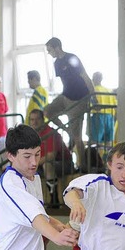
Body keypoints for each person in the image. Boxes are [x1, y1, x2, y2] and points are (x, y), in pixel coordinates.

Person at [44, 37, 94, 170]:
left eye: (50, 50)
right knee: (48, 111)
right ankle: (68, 132)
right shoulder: (56, 63)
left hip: (79, 98)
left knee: (78, 136)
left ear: (56, 47)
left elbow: (85, 77)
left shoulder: (72, 58)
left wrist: (93, 96)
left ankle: (83, 166)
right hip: (66, 95)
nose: (49, 53)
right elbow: (64, 82)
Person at [28, 108, 73, 206]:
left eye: (37, 119)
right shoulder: (31, 135)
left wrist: (30, 164)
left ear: (43, 120)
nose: (34, 122)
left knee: (47, 165)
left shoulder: (49, 132)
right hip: (42, 164)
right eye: (32, 119)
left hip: (64, 164)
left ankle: (54, 199)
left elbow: (50, 156)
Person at [89, 72, 117, 149]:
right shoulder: (108, 90)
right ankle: (107, 159)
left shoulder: (94, 90)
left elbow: (90, 104)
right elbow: (115, 104)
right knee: (108, 142)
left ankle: (95, 158)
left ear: (93, 79)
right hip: (110, 116)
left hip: (98, 116)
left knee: (95, 142)